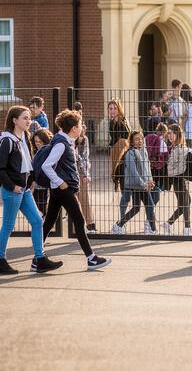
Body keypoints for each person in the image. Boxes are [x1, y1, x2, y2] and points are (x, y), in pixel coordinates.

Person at [39, 109, 110, 270]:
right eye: (80, 125)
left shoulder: (64, 140)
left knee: (49, 221)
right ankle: (91, 258)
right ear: (73, 129)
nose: (82, 127)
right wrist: (60, 182)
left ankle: (38, 256)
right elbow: (46, 165)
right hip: (63, 189)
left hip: (58, 190)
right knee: (79, 221)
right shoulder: (62, 144)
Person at [0, 106, 60, 275]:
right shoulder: (7, 140)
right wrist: (12, 186)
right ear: (14, 120)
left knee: (37, 221)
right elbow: (0, 170)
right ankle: (0, 261)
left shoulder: (24, 138)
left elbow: (27, 165)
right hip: (12, 191)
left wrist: (31, 181)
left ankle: (40, 259)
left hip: (24, 190)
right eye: (25, 118)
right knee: (8, 226)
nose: (28, 121)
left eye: (29, 118)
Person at [112, 129, 156, 235]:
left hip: (144, 184)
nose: (140, 141)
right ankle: (152, 229)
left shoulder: (144, 151)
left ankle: (118, 225)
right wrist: (144, 184)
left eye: (141, 138)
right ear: (131, 141)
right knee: (149, 205)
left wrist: (150, 181)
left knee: (136, 208)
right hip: (137, 185)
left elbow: (147, 168)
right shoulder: (130, 153)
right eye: (137, 139)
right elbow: (133, 172)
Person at [161, 124, 192, 236]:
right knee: (185, 203)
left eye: (171, 133)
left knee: (186, 202)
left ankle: (169, 223)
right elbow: (172, 168)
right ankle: (187, 228)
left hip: (181, 179)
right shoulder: (176, 148)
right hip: (178, 180)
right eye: (168, 133)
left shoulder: (179, 148)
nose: (168, 136)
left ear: (177, 134)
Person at [70, 101, 95, 233]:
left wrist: (85, 174)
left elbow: (84, 159)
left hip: (80, 173)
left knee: (84, 199)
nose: (82, 128)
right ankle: (75, 227)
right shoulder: (69, 139)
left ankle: (90, 224)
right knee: (71, 202)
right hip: (70, 173)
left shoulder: (83, 140)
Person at [28, 128, 53, 219]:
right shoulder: (33, 152)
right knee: (36, 207)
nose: (37, 144)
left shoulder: (49, 151)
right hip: (36, 184)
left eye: (40, 142)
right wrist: (33, 181)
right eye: (36, 141)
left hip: (46, 183)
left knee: (43, 206)